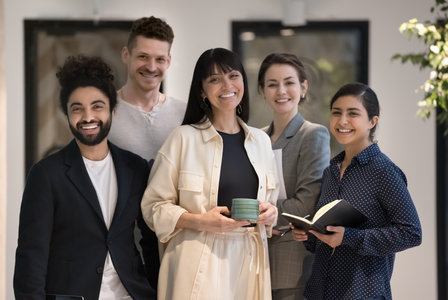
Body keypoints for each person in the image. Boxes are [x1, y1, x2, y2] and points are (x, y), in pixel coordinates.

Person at [13, 55, 156, 300]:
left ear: (111, 109)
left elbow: (151, 241)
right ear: (67, 114)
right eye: (77, 108)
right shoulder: (46, 175)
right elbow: (31, 257)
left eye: (97, 106)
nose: (88, 117)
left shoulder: (135, 168)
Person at [141, 48, 279, 300]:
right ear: (202, 91)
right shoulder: (183, 139)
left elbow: (271, 202)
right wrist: (202, 221)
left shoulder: (261, 141)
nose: (227, 85)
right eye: (215, 79)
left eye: (234, 76)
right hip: (196, 262)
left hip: (250, 262)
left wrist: (271, 213)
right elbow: (154, 207)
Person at [291, 83, 422, 300]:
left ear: (372, 121)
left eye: (353, 114)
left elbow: (411, 233)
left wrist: (350, 237)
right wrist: (308, 234)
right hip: (320, 291)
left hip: (362, 293)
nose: (342, 121)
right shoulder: (330, 171)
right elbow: (326, 237)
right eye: (336, 113)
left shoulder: (384, 171)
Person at [257, 53, 330, 300]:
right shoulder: (256, 138)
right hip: (253, 258)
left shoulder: (312, 135)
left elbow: (306, 204)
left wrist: (257, 211)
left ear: (303, 87)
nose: (281, 91)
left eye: (289, 82)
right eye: (272, 84)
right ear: (262, 91)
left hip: (291, 261)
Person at [108, 16, 187, 162]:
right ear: (126, 55)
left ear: (168, 61)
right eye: (143, 57)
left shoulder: (185, 114)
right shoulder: (105, 111)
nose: (151, 67)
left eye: (160, 59)